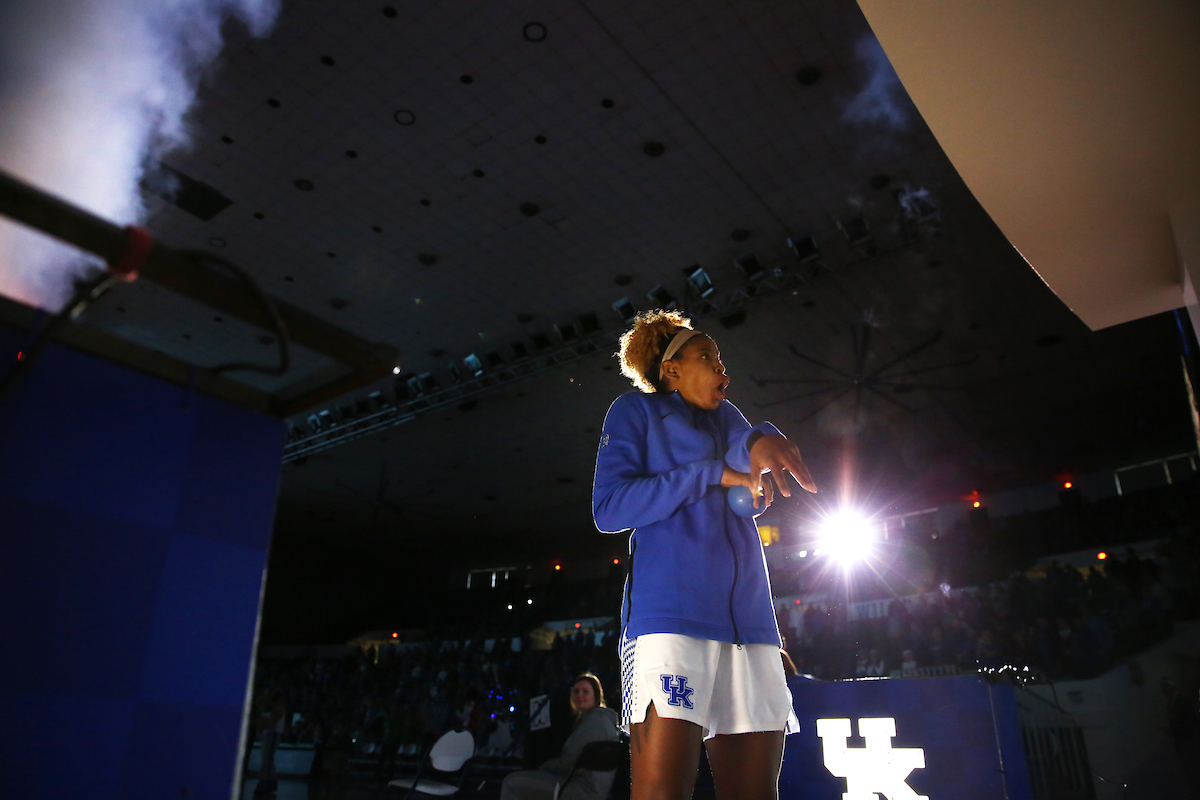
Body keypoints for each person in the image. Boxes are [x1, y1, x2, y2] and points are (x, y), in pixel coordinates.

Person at [592, 310, 817, 800]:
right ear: (670, 370)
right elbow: (609, 508)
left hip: (751, 629)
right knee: (662, 793)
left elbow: (744, 448)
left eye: (722, 360)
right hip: (669, 622)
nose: (723, 372)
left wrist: (762, 441)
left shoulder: (728, 417)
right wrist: (709, 475)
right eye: (707, 358)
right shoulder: (634, 412)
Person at [500, 674, 620, 800]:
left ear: (596, 695)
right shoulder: (601, 720)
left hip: (580, 788)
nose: (580, 696)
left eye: (586, 692)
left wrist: (545, 767)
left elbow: (569, 761)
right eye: (576, 692)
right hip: (593, 788)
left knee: (511, 782)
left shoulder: (596, 721)